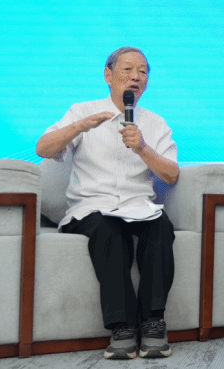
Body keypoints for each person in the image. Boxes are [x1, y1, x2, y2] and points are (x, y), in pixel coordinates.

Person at [36, 47, 180, 360]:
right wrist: (79, 127)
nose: (135, 77)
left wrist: (142, 148)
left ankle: (153, 322)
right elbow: (43, 149)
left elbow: (171, 175)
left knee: (161, 228)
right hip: (91, 207)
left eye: (142, 72)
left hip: (138, 205)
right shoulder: (82, 111)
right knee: (109, 233)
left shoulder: (155, 123)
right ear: (108, 75)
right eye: (128, 69)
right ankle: (122, 327)